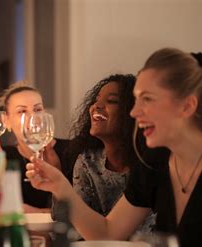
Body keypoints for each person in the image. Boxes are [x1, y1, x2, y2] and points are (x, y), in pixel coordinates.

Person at [26, 48, 202, 246]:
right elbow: (107, 233)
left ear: (187, 106)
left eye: (147, 99)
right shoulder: (156, 160)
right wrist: (59, 185)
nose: (134, 112)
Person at [51, 74, 155, 240]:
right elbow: (74, 227)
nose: (96, 106)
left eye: (111, 101)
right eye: (96, 100)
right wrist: (55, 179)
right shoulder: (88, 161)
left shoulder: (149, 163)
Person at [0, 80, 72, 213]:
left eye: (37, 109)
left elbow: (76, 210)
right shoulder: (3, 154)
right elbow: (0, 207)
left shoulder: (72, 150)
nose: (33, 117)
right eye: (22, 111)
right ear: (6, 122)